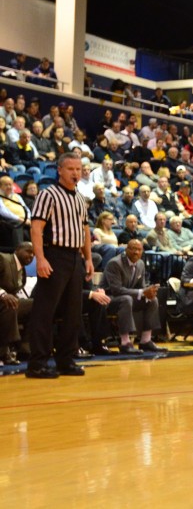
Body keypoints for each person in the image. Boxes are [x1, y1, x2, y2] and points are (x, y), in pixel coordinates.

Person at [26, 152, 94, 378]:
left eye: (78, 169)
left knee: (73, 312)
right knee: (45, 311)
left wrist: (89, 259)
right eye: (71, 169)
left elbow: (85, 230)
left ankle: (65, 360)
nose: (76, 173)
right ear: (60, 170)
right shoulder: (48, 194)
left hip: (75, 258)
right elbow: (36, 228)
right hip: (54, 255)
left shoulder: (79, 197)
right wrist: (41, 258)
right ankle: (38, 363)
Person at [101, 239, 163, 353]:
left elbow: (142, 287)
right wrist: (142, 292)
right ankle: (125, 343)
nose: (136, 252)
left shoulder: (140, 264)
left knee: (152, 300)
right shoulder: (115, 263)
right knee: (126, 299)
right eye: (133, 249)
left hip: (126, 298)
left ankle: (146, 341)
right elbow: (116, 290)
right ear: (126, 250)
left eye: (139, 249)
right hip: (108, 299)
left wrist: (149, 291)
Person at [0, 242, 35, 365]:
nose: (31, 256)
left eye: (33, 254)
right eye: (28, 251)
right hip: (2, 301)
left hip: (7, 303)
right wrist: (2, 294)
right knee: (10, 305)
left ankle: (25, 348)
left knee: (37, 305)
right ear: (18, 249)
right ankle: (4, 351)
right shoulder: (3, 258)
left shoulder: (22, 270)